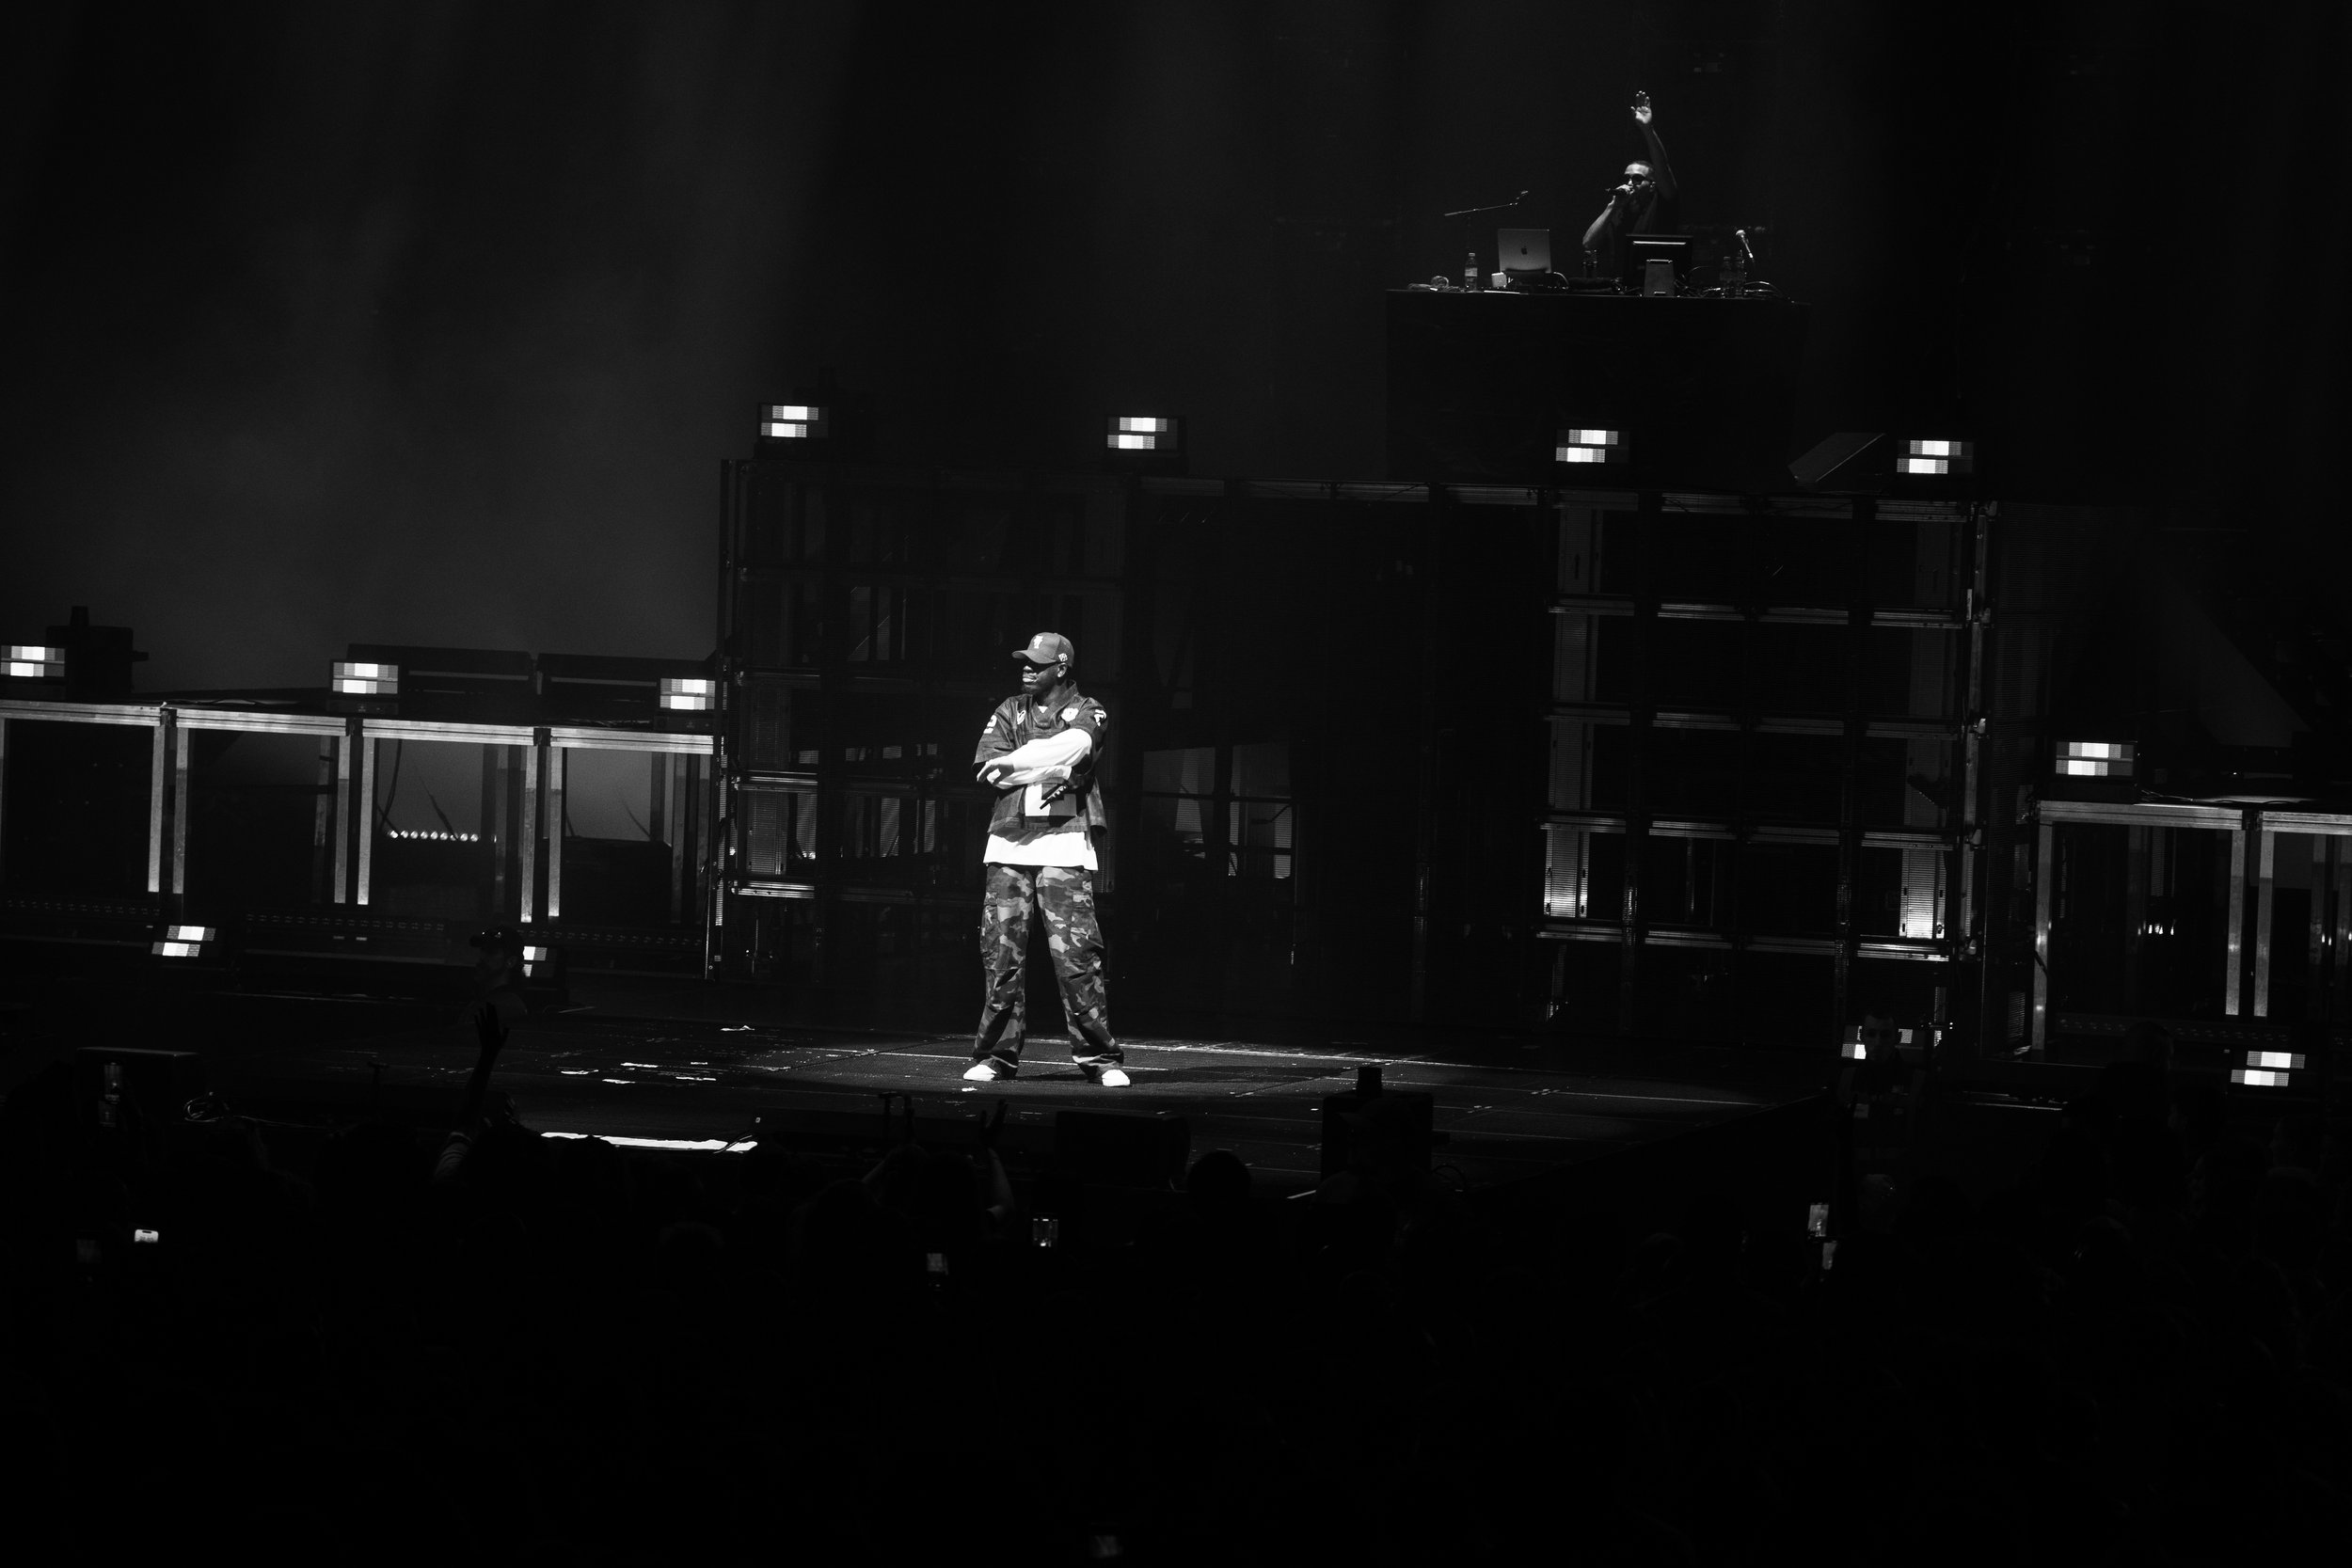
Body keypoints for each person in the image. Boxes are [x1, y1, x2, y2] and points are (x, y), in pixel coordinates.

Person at [963, 632, 1129, 1085]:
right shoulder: (1009, 710)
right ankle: (995, 1057)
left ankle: (1100, 1059)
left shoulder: (1088, 709)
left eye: (1037, 664)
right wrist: (1055, 769)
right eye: (1025, 662)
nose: (1027, 669)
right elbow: (991, 771)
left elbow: (1076, 748)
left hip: (1065, 842)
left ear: (1061, 667)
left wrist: (1024, 763)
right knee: (1001, 956)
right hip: (1009, 844)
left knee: (1076, 958)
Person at [1579, 91, 1680, 277]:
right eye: (1627, 178)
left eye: (1638, 179)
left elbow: (1663, 167)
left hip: (1655, 286)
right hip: (1620, 288)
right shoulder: (1618, 211)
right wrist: (1612, 207)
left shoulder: (1660, 205)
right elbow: (1588, 245)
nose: (1630, 182)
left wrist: (1647, 129)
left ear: (1652, 185)